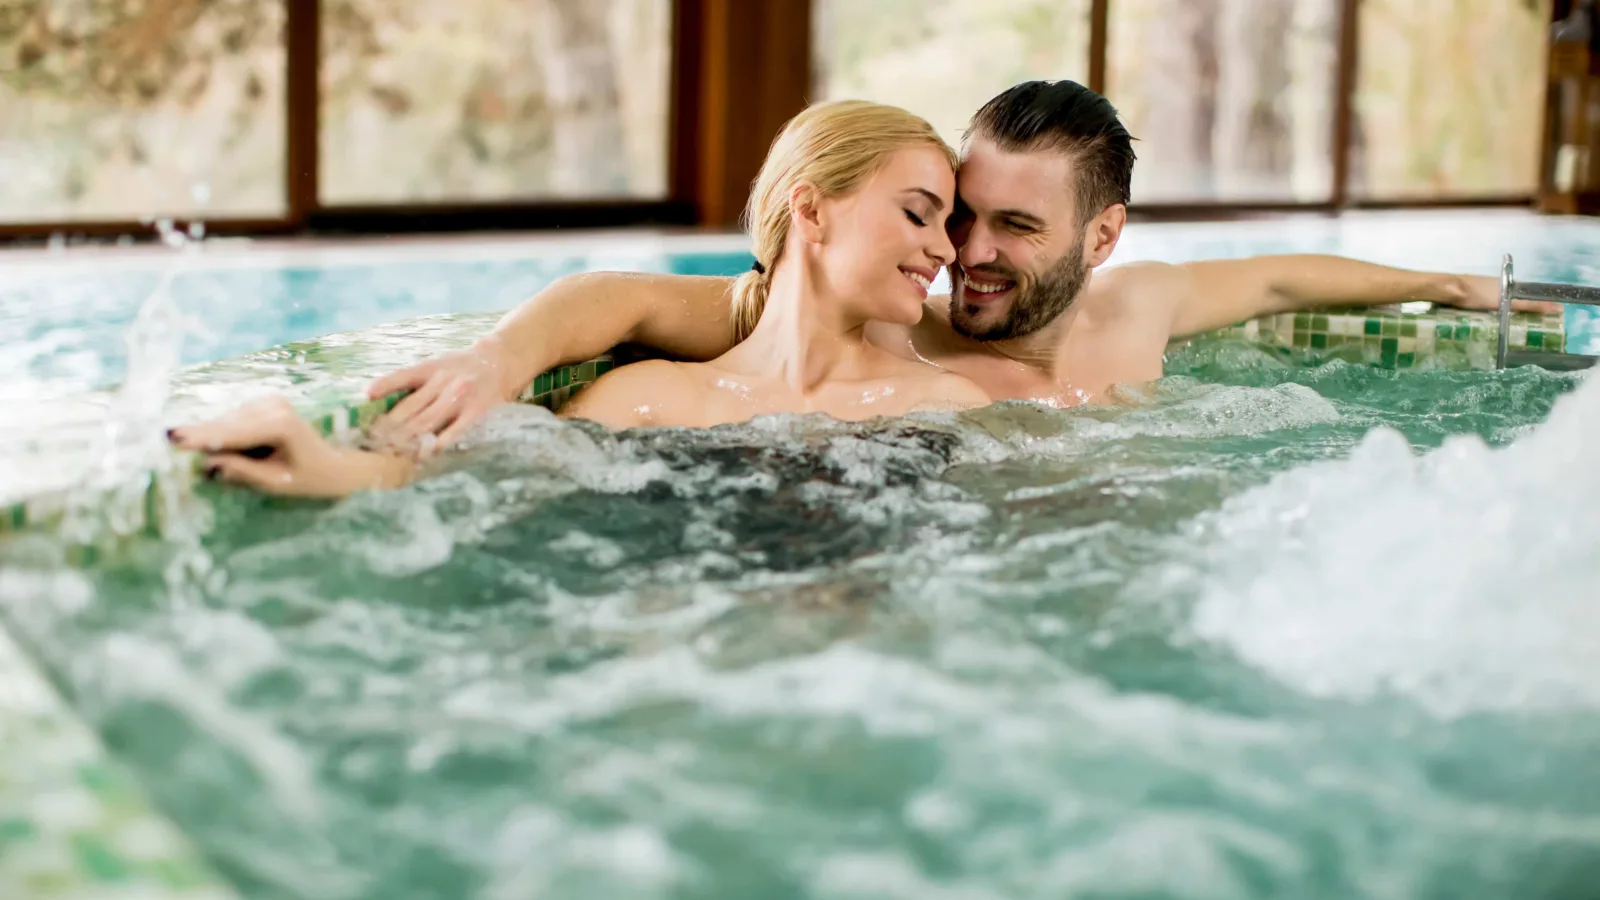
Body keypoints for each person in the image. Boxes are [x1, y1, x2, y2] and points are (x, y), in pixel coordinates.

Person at [365, 80, 1562, 449]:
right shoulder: (901, 337)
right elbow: (619, 301)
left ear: (1103, 242)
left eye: (1013, 231)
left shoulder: (1142, 311)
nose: (963, 257)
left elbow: (1287, 279)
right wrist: (494, 356)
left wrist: (1458, 289)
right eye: (954, 217)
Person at [168, 100, 989, 497]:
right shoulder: (648, 395)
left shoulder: (947, 403)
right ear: (810, 210)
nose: (944, 250)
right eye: (919, 213)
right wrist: (324, 467)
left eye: (949, 224)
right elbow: (480, 491)